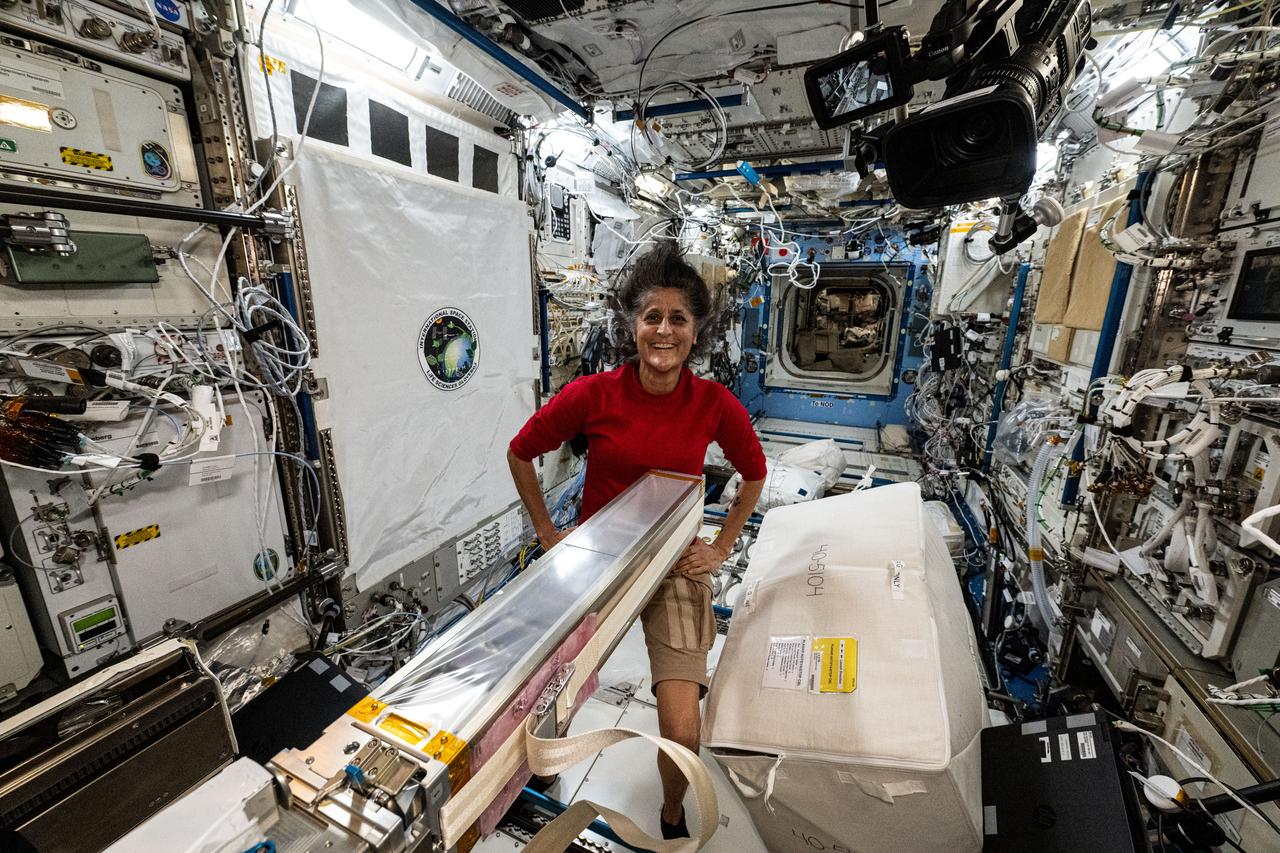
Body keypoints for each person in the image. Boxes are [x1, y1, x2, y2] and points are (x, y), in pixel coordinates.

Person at [507, 243, 767, 839]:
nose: (664, 330)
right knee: (548, 691)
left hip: (675, 566)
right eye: (653, 316)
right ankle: (542, 772)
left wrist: (722, 545)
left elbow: (754, 474)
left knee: (682, 731)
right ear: (632, 324)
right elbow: (521, 452)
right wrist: (550, 534)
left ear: (695, 330)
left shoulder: (713, 404)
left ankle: (671, 812)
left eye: (678, 318)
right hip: (600, 561)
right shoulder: (593, 395)